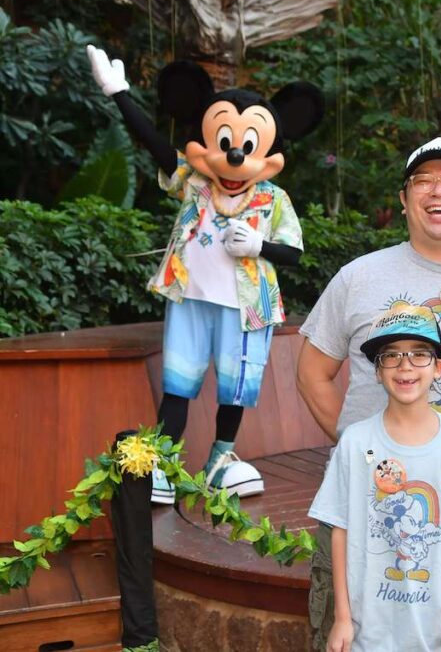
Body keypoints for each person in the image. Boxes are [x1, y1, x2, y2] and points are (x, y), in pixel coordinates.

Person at [297, 137, 441, 649]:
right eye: (423, 181)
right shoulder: (357, 278)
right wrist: (358, 448)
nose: (437, 192)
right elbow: (311, 371)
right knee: (342, 629)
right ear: (404, 199)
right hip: (363, 507)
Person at [85, 45, 323, 502]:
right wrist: (118, 94)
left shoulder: (273, 200)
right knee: (179, 383)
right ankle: (164, 461)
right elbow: (155, 145)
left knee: (235, 388)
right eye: (225, 143)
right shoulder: (193, 182)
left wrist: (259, 246)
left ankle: (221, 458)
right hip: (191, 299)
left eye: (248, 146)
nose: (234, 158)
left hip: (245, 310)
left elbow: (293, 252)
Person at [309, 304, 441, 651]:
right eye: (391, 356)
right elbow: (340, 530)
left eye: (419, 354)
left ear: (439, 368)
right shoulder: (355, 443)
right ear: (377, 371)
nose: (405, 365)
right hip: (368, 633)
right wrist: (343, 618)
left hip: (438, 632)